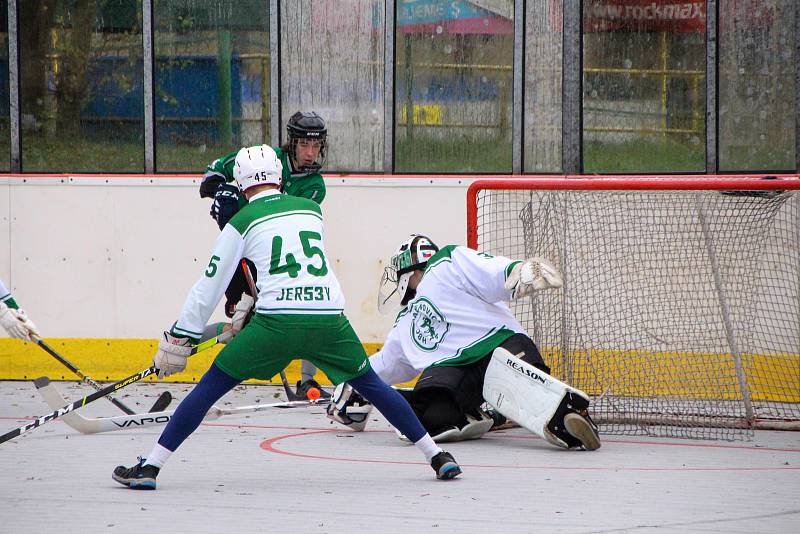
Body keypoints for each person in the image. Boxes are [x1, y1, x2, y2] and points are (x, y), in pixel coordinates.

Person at [112, 147, 461, 490]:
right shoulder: (311, 211)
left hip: (276, 324)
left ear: (241, 182)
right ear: (279, 177)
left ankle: (150, 467)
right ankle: (437, 456)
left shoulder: (241, 221)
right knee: (375, 388)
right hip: (329, 320)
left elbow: (209, 287)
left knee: (210, 387)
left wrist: (180, 337)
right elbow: (293, 265)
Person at [328, 234, 600, 451]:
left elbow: (488, 270)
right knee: (432, 419)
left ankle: (566, 415)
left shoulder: (447, 262)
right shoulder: (404, 323)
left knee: (527, 385)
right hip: (454, 371)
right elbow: (387, 364)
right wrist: (353, 382)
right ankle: (487, 416)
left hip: (498, 346)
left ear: (405, 268)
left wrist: (518, 271)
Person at [198, 111, 331, 399]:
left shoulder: (314, 186)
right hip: (246, 255)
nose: (311, 153)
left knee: (312, 313)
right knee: (241, 327)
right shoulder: (263, 159)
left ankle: (307, 381)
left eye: (316, 146)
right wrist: (225, 191)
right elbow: (209, 179)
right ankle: (180, 342)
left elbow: (277, 217)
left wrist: (237, 204)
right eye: (305, 145)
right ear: (292, 143)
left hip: (281, 262)